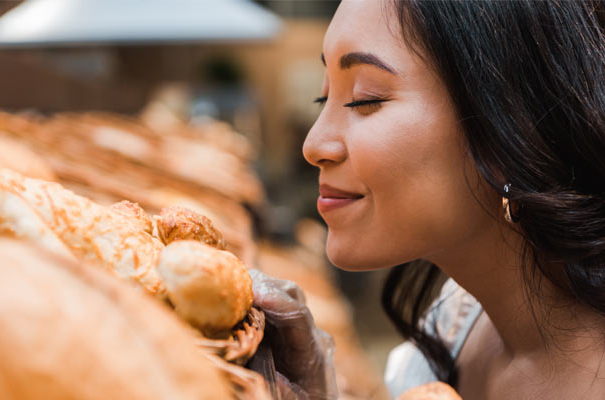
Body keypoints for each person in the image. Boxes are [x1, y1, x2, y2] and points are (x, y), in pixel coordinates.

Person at [250, 0, 605, 399]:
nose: (313, 145)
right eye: (323, 98)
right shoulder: (453, 321)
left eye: (364, 99)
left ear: (514, 130)